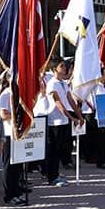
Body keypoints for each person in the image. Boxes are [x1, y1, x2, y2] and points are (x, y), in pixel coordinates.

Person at [45, 58, 83, 187]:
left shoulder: (64, 83)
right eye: (61, 66)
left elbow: (70, 100)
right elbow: (58, 103)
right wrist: (71, 118)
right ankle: (52, 177)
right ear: (54, 69)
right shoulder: (52, 84)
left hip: (63, 120)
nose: (65, 68)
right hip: (54, 121)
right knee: (54, 150)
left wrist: (79, 115)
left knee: (60, 148)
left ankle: (55, 173)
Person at [0, 80, 26, 206]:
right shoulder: (5, 94)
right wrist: (18, 116)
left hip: (19, 132)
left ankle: (17, 190)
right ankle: (9, 195)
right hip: (9, 132)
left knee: (17, 165)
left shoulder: (20, 93)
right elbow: (3, 114)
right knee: (8, 165)